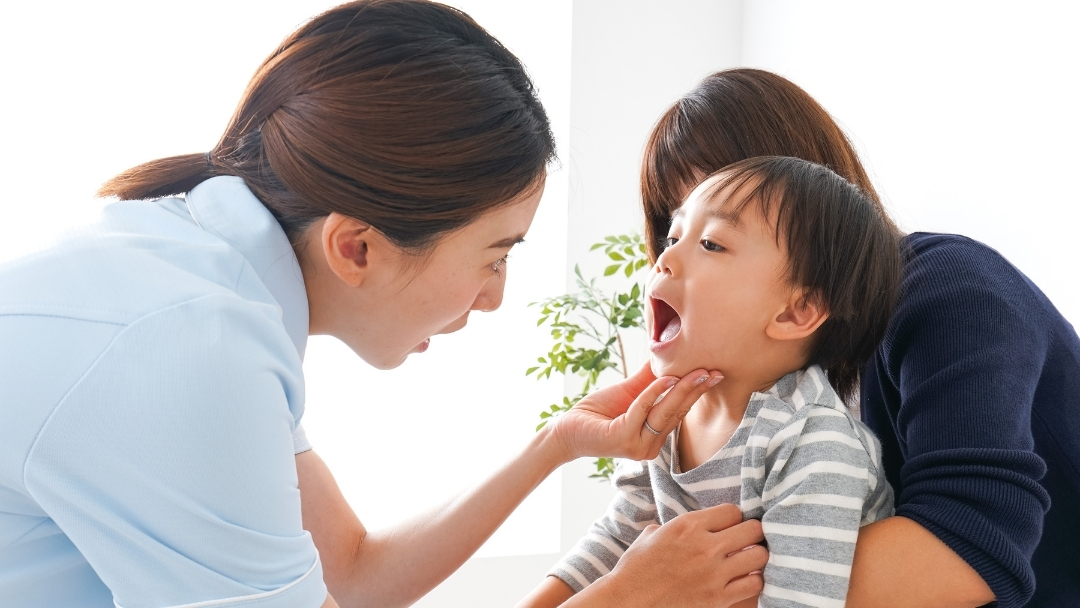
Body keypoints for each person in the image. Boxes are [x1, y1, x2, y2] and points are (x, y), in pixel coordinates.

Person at [0, 3, 769, 607]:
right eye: (495, 255)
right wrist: (629, 598)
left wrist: (558, 443)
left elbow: (356, 575)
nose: (496, 296)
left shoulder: (199, 277)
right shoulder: (191, 349)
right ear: (357, 248)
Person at [633, 68, 1080, 607]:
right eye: (674, 227)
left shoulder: (947, 288)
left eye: (716, 235)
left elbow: (969, 544)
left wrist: (676, 590)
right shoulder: (753, 384)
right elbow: (638, 532)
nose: (672, 258)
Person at [520, 156, 902, 607]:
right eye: (673, 237)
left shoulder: (813, 443)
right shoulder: (668, 414)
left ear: (794, 312)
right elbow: (616, 541)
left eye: (711, 244)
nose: (665, 259)